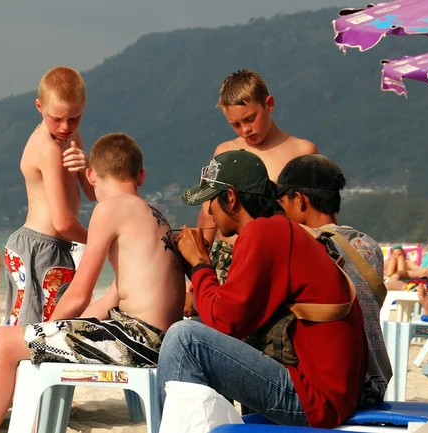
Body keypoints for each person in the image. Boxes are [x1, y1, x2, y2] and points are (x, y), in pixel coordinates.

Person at [0, 132, 185, 433]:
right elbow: (109, 301)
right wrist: (49, 332)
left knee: (2, 342)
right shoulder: (155, 217)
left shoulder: (109, 209)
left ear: (91, 175)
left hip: (137, 340)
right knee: (22, 339)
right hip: (161, 341)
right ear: (141, 176)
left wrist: (41, 332)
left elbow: (79, 294)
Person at [157, 150, 368, 430]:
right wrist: (199, 269)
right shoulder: (279, 230)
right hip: (330, 393)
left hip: (316, 400)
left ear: (230, 198)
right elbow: (231, 315)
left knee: (184, 339)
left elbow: (224, 320)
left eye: (211, 201)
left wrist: (199, 264)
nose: (208, 212)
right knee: (195, 328)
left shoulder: (263, 234)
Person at [188, 69, 318, 316]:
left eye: (250, 119)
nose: (245, 129)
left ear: (269, 104)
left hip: (276, 262)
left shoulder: (301, 152)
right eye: (235, 124)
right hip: (227, 260)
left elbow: (312, 218)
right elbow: (208, 214)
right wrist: (196, 273)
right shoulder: (225, 151)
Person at [276, 154, 392, 405]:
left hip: (336, 387)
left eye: (282, 201)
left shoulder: (300, 244)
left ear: (299, 200)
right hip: (375, 382)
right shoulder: (370, 246)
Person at [4, 66, 95, 326]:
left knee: (49, 328)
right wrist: (102, 243)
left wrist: (87, 165)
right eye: (56, 118)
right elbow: (63, 222)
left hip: (54, 246)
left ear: (83, 107)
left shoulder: (71, 136)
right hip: (39, 248)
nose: (65, 126)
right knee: (36, 333)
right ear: (39, 106)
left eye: (74, 118)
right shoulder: (47, 147)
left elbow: (91, 192)